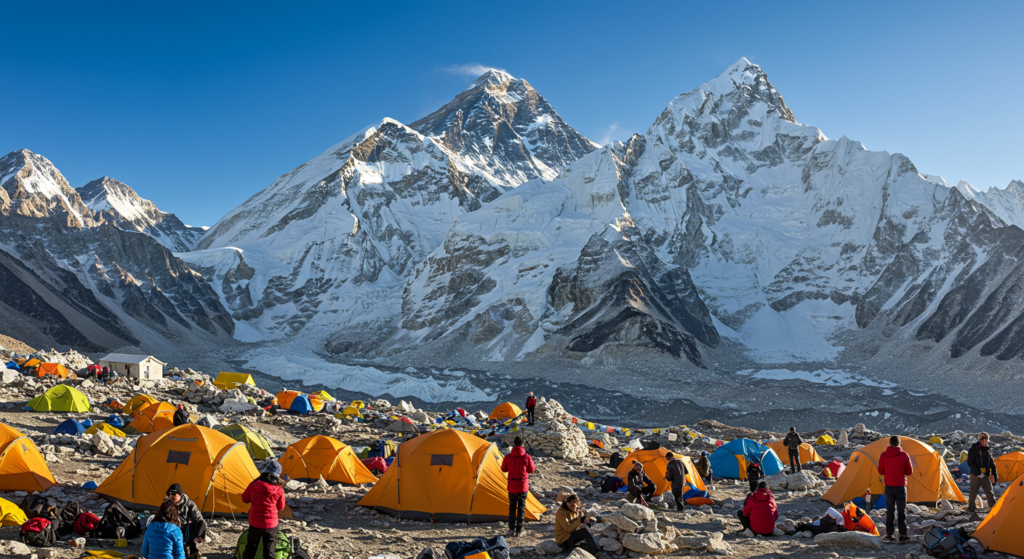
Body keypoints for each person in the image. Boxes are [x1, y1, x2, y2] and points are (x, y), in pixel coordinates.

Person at [241, 462, 287, 559]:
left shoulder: (254, 484)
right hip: (271, 524)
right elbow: (281, 507)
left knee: (250, 549)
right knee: (269, 551)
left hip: (255, 522)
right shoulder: (279, 488)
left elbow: (244, 499)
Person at [876, 436, 912, 542]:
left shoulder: (884, 455)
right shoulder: (904, 455)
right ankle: (902, 535)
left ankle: (890, 534)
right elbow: (909, 472)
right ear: (899, 443)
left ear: (890, 443)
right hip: (900, 486)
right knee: (901, 511)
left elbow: (880, 471)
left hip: (889, 486)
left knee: (890, 510)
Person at [500, 436, 535, 537]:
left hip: (512, 486)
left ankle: (511, 529)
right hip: (522, 486)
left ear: (514, 445)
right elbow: (531, 470)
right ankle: (519, 530)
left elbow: (503, 469)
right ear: (522, 445)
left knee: (512, 508)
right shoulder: (527, 457)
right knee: (521, 508)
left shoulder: (508, 457)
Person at [166, 483, 206, 559]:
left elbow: (199, 520)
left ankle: (191, 548)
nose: (171, 496)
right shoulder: (166, 504)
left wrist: (200, 535)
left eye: (174, 494)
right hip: (170, 528)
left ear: (180, 494)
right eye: (170, 494)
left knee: (194, 525)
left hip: (185, 529)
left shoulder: (189, 505)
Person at [966, 432, 998, 515]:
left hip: (985, 475)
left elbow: (992, 462)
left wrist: (994, 474)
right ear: (979, 440)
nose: (984, 442)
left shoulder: (987, 450)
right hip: (974, 475)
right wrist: (978, 473)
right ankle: (971, 507)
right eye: (983, 440)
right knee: (974, 491)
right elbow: (970, 462)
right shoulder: (973, 449)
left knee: (989, 491)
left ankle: (993, 506)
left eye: (986, 440)